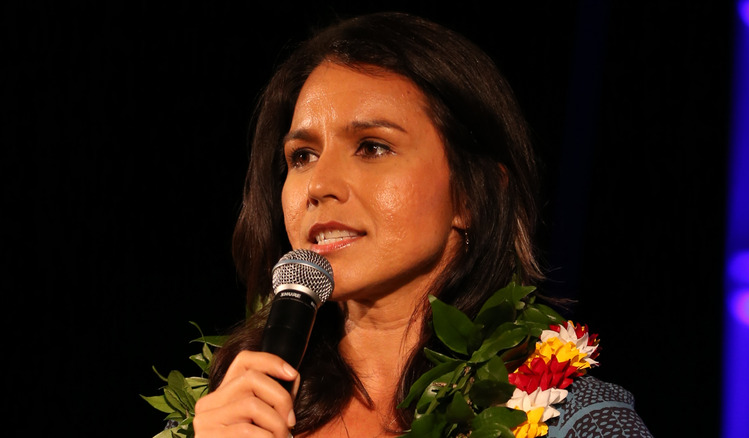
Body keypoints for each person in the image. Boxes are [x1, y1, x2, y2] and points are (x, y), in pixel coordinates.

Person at [192, 12, 652, 438]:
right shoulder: (232, 411)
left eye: (372, 147)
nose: (318, 184)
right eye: (302, 156)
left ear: (471, 194)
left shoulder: (571, 418)